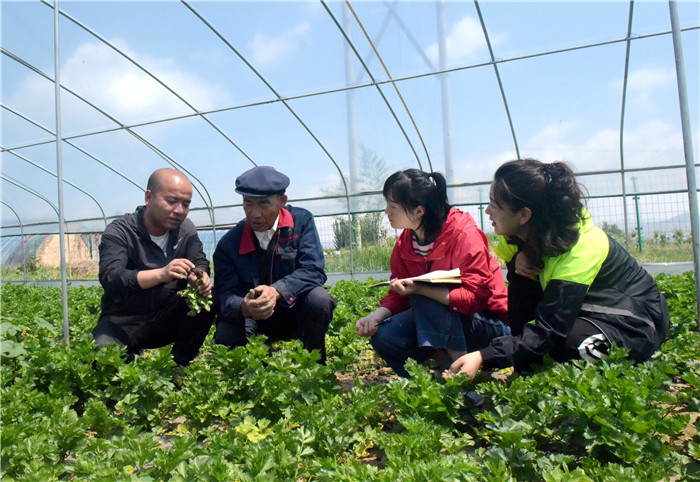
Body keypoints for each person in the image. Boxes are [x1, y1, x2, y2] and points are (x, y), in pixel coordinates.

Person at [444, 159, 671, 379]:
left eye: (494, 205)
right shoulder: (517, 235)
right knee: (524, 284)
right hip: (583, 312)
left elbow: (549, 328)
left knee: (564, 344)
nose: (487, 212)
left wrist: (486, 355)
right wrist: (521, 256)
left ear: (524, 215)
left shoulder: (581, 248)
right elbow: (524, 301)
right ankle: (525, 364)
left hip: (634, 321)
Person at [355, 169, 510, 378]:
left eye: (392, 206)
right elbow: (398, 295)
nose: (386, 212)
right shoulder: (405, 244)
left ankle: (460, 378)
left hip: (488, 325)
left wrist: (421, 289)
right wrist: (373, 318)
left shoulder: (463, 235)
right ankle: (430, 381)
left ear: (419, 211)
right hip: (441, 322)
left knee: (425, 298)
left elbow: (474, 299)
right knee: (385, 336)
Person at [212, 166, 335, 363]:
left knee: (319, 300)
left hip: (294, 311)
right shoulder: (229, 244)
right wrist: (244, 307)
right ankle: (258, 371)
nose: (255, 214)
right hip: (254, 318)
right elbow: (224, 294)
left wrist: (276, 291)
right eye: (248, 204)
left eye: (264, 204)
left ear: (282, 202)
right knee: (226, 335)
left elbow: (313, 270)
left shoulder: (301, 222)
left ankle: (313, 366)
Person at [93, 168, 214, 366]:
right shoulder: (120, 231)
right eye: (172, 201)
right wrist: (161, 274)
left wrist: (199, 276)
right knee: (103, 361)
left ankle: (180, 365)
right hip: (123, 320)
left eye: (186, 204)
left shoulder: (186, 230)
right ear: (149, 198)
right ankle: (127, 356)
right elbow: (111, 278)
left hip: (164, 319)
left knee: (207, 299)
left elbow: (199, 261)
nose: (179, 210)